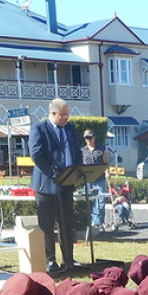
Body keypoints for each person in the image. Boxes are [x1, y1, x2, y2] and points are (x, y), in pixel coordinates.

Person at [29, 97, 81, 273]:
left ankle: (69, 259)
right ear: (53, 113)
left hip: (66, 184)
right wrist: (53, 172)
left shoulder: (71, 128)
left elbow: (76, 151)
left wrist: (76, 172)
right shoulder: (39, 129)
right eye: (63, 115)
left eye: (68, 114)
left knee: (66, 224)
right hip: (46, 185)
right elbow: (36, 154)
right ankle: (50, 260)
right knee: (47, 226)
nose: (67, 118)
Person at [81, 129, 108, 230]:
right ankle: (91, 220)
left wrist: (107, 172)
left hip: (99, 178)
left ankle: (99, 221)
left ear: (94, 137)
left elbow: (106, 162)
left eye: (90, 137)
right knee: (88, 200)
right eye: (86, 138)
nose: (88, 140)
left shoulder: (101, 149)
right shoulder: (82, 151)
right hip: (87, 179)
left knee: (100, 199)